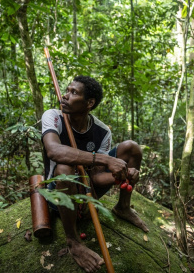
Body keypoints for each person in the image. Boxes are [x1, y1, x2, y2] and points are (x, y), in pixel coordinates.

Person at [41, 75, 148, 273]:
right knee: (65, 168)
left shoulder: (101, 131)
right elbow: (54, 151)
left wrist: (122, 175)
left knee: (132, 148)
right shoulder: (53, 116)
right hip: (59, 194)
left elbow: (97, 178)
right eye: (67, 90)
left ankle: (123, 207)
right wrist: (106, 159)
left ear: (89, 103)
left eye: (74, 93)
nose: (65, 95)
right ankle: (73, 241)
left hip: (88, 190)